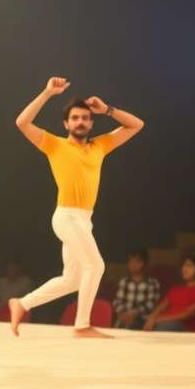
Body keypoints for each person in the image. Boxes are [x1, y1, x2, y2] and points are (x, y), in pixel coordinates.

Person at [9, 77, 144, 338]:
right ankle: (82, 326)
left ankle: (22, 303)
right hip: (66, 216)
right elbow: (22, 122)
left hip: (84, 220)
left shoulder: (100, 145)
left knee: (72, 279)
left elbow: (137, 125)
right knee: (96, 266)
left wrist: (107, 110)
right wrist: (47, 93)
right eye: (75, 118)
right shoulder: (55, 145)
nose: (80, 122)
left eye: (85, 118)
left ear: (91, 123)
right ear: (66, 123)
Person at [143, 254, 195, 332]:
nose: (185, 269)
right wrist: (152, 317)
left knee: (165, 326)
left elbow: (187, 315)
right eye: (184, 266)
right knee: (142, 321)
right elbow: (161, 306)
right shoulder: (176, 289)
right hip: (165, 322)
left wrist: (161, 319)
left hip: (185, 327)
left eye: (190, 266)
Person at [112, 247, 161, 329]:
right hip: (124, 318)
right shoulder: (124, 282)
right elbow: (117, 301)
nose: (133, 264)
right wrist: (122, 313)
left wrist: (134, 313)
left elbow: (151, 304)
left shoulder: (152, 283)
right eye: (130, 260)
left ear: (144, 263)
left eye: (137, 261)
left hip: (143, 320)